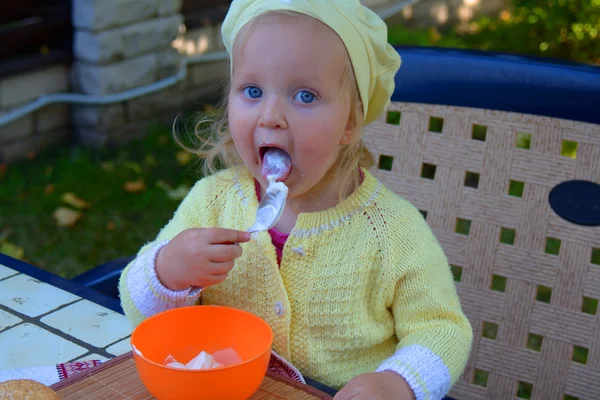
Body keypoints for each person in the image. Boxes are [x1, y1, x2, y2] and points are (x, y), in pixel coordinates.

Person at [119, 1, 473, 399]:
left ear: (350, 123)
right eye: (252, 91)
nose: (271, 116)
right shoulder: (213, 201)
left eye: (304, 96)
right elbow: (137, 309)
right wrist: (168, 271)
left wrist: (398, 382)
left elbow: (442, 328)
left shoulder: (391, 230)